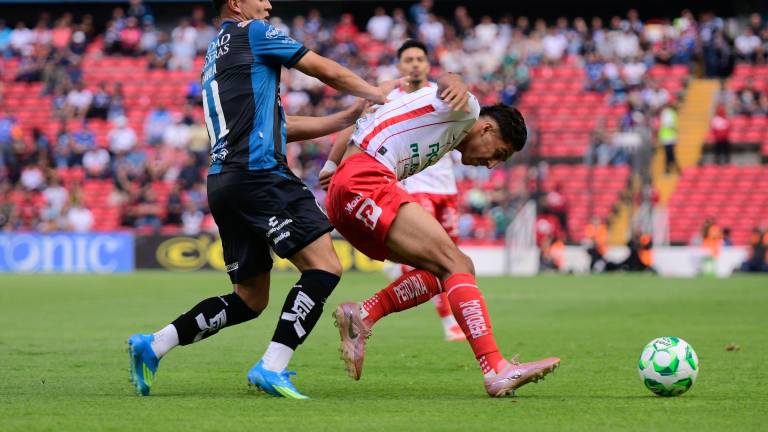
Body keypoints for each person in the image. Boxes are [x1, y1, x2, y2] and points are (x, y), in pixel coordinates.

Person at [127, 0, 393, 400]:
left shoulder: (215, 53)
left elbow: (279, 125)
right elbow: (320, 66)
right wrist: (375, 93)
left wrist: (344, 118)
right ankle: (272, 366)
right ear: (236, 3)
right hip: (260, 174)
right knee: (325, 266)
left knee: (250, 299)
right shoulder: (253, 32)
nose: (268, 4)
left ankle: (155, 344)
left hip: (223, 182)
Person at [320, 73, 560, 397]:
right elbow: (448, 84)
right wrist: (456, 82)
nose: (492, 165)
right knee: (458, 265)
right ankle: (496, 370)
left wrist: (331, 165)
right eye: (499, 153)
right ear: (487, 129)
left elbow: (364, 115)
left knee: (442, 272)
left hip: (346, 193)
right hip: (364, 180)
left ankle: (364, 314)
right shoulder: (467, 110)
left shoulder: (446, 129)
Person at [380, 39, 464, 341]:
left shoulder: (441, 97)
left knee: (451, 257)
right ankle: (449, 322)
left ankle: (401, 270)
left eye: (419, 59)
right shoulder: (389, 99)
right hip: (415, 188)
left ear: (428, 65)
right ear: (399, 65)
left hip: (447, 188)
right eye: (409, 60)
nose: (415, 64)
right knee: (436, 258)